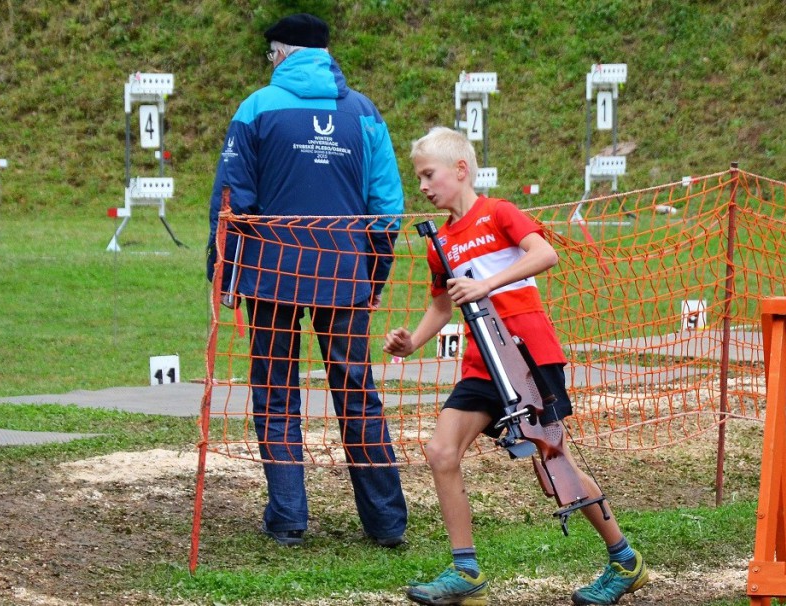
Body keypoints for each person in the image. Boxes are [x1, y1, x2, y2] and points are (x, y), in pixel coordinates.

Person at [384, 127, 649, 606]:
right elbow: (442, 306)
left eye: (428, 174)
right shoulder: (438, 242)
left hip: (529, 354)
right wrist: (411, 342)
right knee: (441, 451)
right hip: (480, 362)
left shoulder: (498, 212)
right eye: (418, 177)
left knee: (555, 465)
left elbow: (544, 254)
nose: (422, 186)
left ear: (461, 169)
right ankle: (466, 573)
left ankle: (625, 560)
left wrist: (488, 285)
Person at [206, 13, 407, 548]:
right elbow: (386, 208)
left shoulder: (256, 109)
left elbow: (232, 202)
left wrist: (222, 274)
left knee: (275, 396)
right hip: (344, 277)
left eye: (271, 53)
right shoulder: (364, 112)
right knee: (358, 395)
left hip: (272, 279)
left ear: (284, 52)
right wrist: (375, 272)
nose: (269, 61)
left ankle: (289, 518)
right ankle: (387, 524)